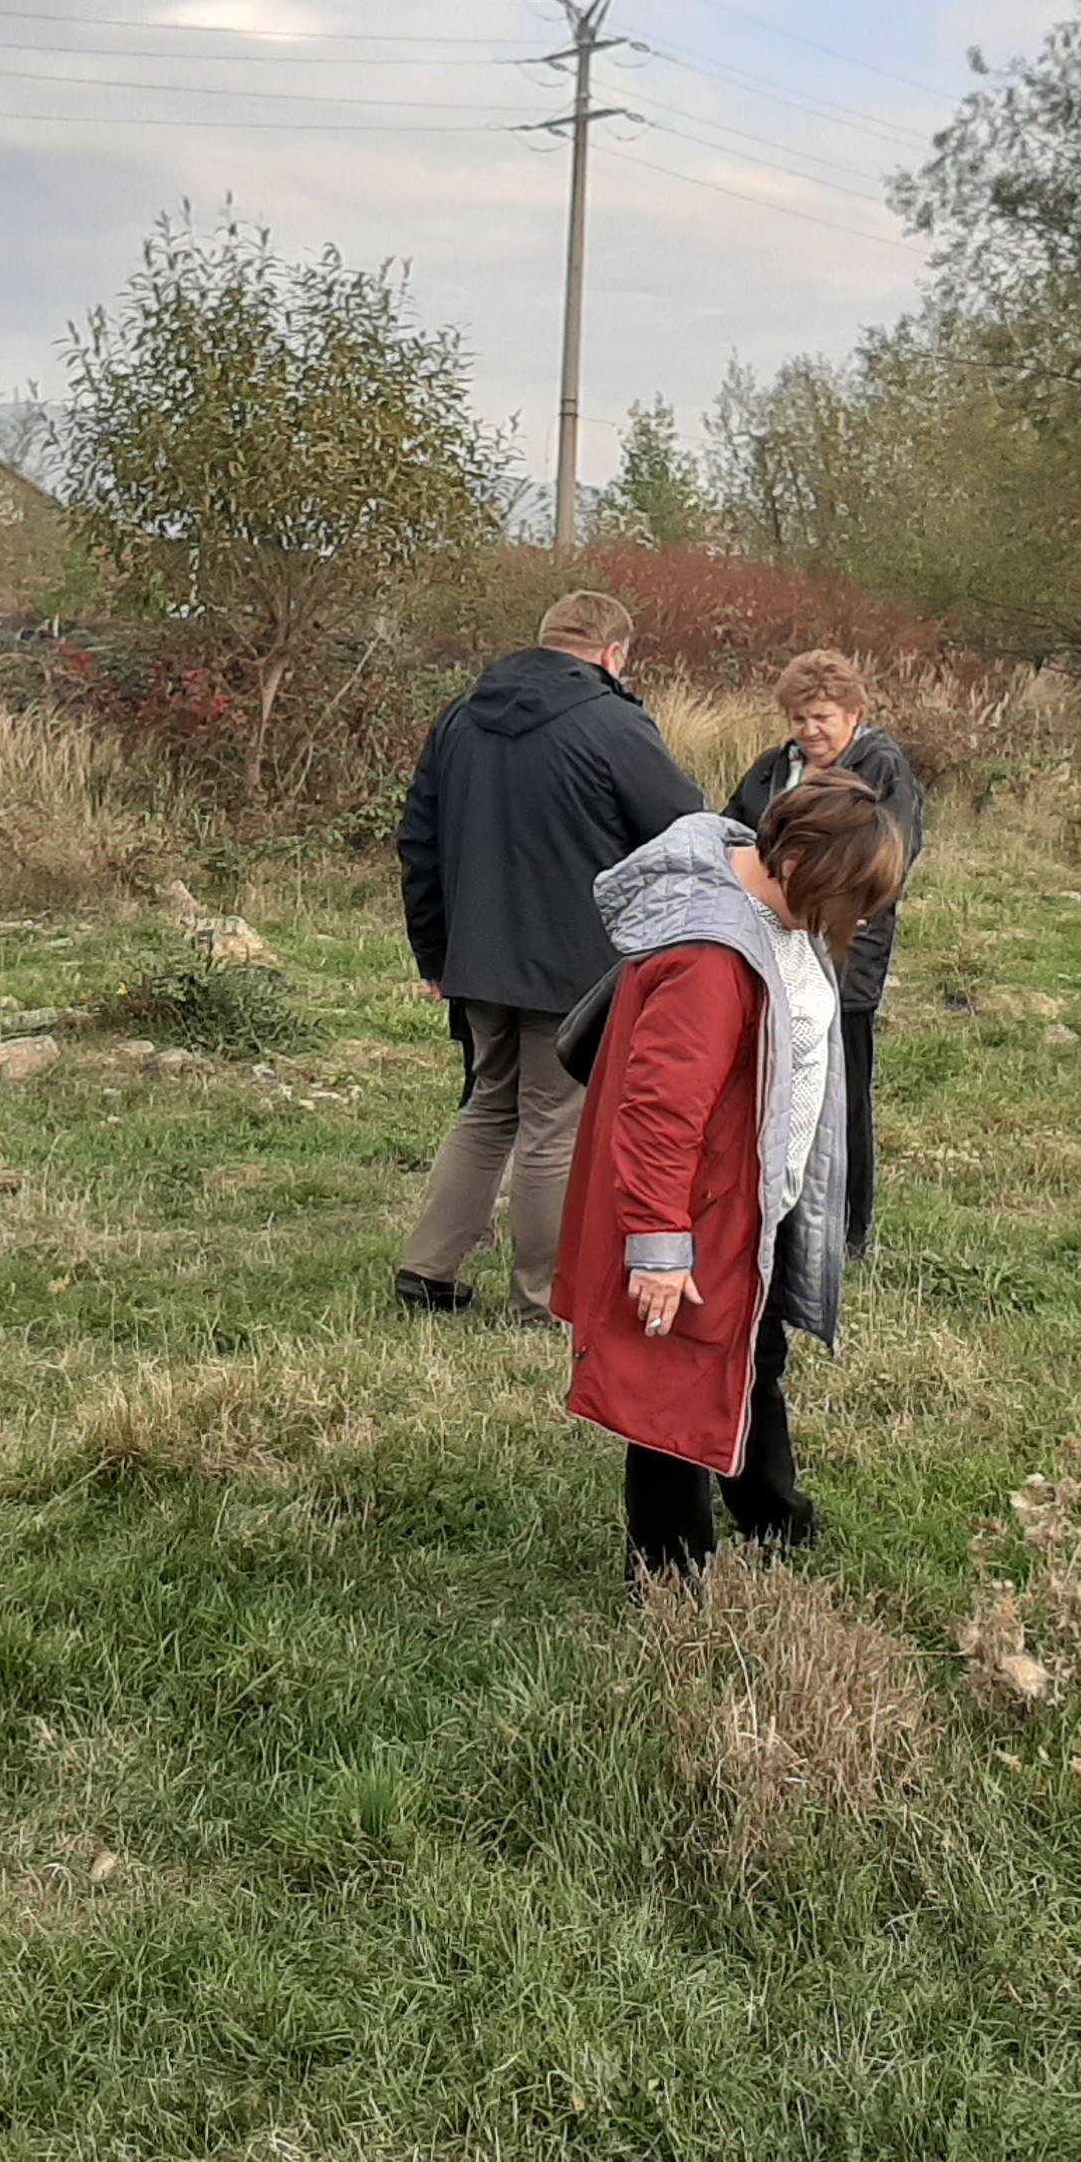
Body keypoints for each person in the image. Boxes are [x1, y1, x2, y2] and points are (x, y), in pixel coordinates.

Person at [554, 776, 908, 1575]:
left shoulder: (778, 909)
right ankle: (672, 1575)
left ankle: (775, 1518)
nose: (855, 920)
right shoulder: (712, 957)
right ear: (800, 864)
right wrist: (659, 1244)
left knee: (754, 1360)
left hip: (751, 1205)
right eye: (851, 898)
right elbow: (661, 1113)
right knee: (671, 1388)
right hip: (699, 1211)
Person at [393, 590, 701, 1322]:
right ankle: (540, 1301)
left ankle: (427, 1270)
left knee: (488, 1108)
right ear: (613, 653)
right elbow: (684, 829)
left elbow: (419, 840)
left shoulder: (461, 717)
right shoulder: (614, 723)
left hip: (474, 959)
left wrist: (435, 954)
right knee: (553, 1127)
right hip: (572, 966)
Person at [721, 649, 927, 1257]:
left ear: (854, 714)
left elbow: (892, 858)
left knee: (843, 1090)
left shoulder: (883, 768)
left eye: (823, 717)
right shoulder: (773, 767)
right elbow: (734, 827)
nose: (810, 731)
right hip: (771, 943)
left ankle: (848, 1227)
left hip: (846, 953)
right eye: (800, 718)